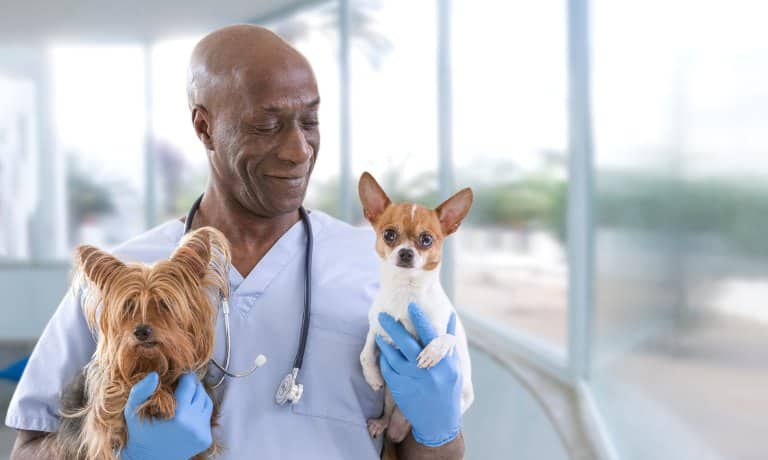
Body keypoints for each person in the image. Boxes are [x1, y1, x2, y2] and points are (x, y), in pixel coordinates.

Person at [6, 25, 467, 459]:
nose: (299, 150)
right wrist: (127, 452)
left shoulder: (387, 270)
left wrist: (436, 429)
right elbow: (28, 447)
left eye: (310, 120)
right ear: (204, 126)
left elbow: (438, 454)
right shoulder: (119, 274)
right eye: (267, 126)